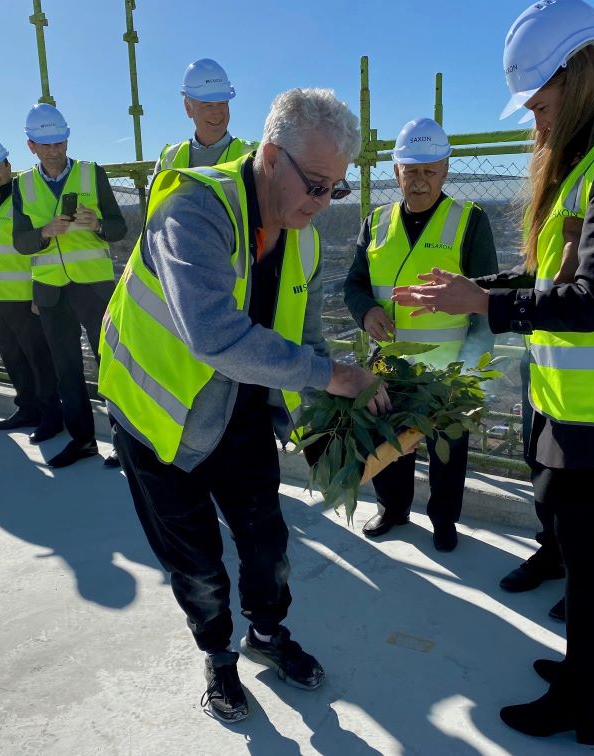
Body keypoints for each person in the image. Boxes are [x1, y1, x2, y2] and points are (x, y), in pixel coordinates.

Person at [392, 0, 594, 744]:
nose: (537, 127)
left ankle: (581, 702)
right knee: (587, 553)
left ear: (578, 77)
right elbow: (560, 271)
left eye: (540, 107)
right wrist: (476, 289)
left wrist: (486, 303)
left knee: (590, 558)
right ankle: (591, 673)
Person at [99, 88, 389, 724]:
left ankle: (265, 634)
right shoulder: (193, 210)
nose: (321, 204)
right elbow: (214, 336)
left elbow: (304, 337)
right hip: (157, 424)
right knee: (198, 565)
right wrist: (335, 375)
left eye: (335, 190)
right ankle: (219, 657)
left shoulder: (303, 237)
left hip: (241, 418)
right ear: (268, 156)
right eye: (315, 184)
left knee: (268, 547)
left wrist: (328, 417)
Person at [343, 117, 497, 552]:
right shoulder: (375, 224)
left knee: (447, 453)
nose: (419, 181)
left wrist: (473, 371)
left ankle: (444, 520)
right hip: (390, 363)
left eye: (430, 171)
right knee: (390, 443)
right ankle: (392, 509)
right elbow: (353, 285)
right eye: (411, 171)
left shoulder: (469, 221)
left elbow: (487, 300)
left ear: (446, 170)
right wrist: (367, 311)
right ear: (396, 172)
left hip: (450, 367)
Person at [11, 103, 127, 468]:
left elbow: (119, 229)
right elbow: (20, 242)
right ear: (31, 146)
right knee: (66, 369)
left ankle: (126, 443)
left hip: (93, 288)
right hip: (50, 291)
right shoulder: (22, 184)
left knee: (109, 365)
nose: (53, 150)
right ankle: (83, 441)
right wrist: (43, 233)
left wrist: (96, 225)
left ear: (67, 139)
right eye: (45, 144)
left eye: (58, 142)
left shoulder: (93, 173)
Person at [0, 137, 62, 439]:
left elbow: (42, 245)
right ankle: (27, 409)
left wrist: (39, 290)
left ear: (9, 165)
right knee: (13, 358)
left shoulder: (25, 196)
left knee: (39, 360)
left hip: (26, 296)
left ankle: (51, 416)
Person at [154, 59, 256, 173]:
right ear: (188, 107)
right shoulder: (169, 159)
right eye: (208, 105)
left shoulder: (255, 155)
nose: (217, 112)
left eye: (222, 103)